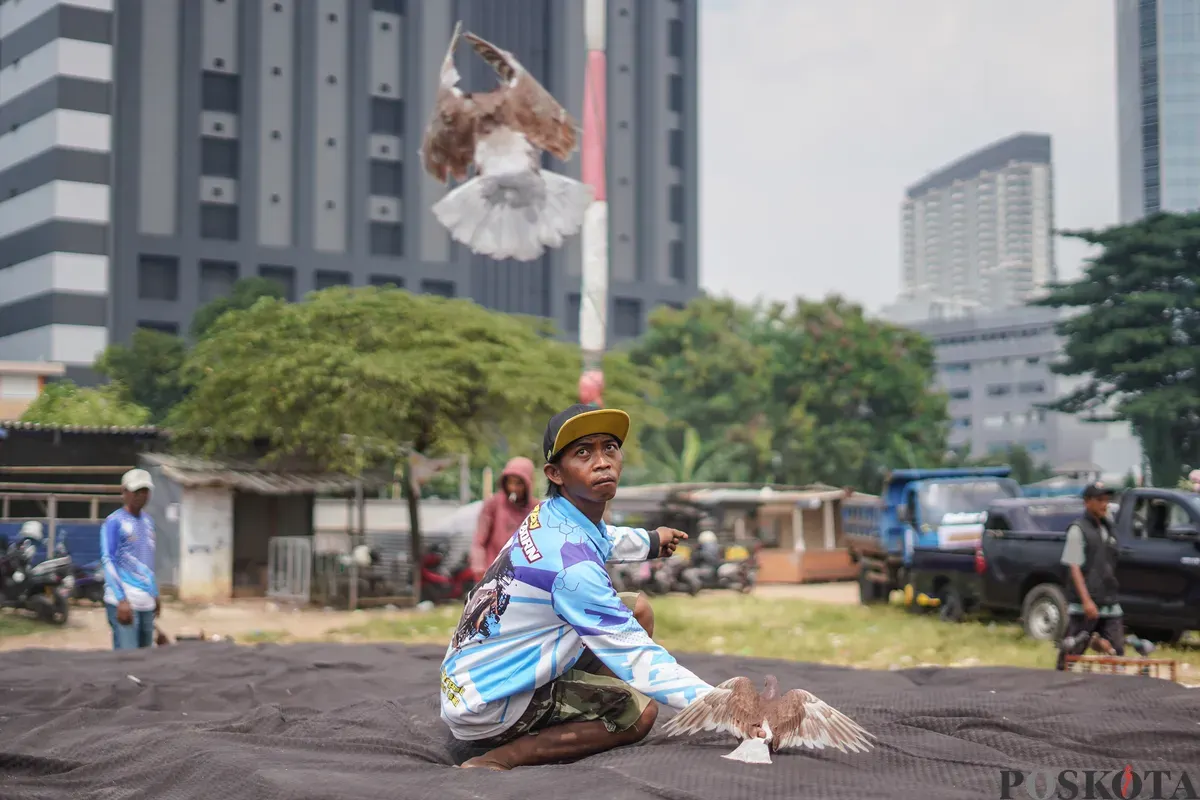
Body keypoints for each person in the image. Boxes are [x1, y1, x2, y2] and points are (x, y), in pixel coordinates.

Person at [440, 404, 721, 770]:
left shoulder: (549, 515)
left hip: (470, 682)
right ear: (555, 473)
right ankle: (499, 759)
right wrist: (724, 707)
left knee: (637, 608)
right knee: (640, 713)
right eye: (583, 452)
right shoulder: (572, 569)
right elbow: (635, 655)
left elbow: (602, 538)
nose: (602, 461)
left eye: (610, 448)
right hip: (491, 709)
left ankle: (582, 704)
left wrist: (650, 541)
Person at [1056, 482, 1153, 670]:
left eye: (1107, 500)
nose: (1104, 504)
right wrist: (1086, 601)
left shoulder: (1109, 527)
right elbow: (1074, 567)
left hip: (1109, 602)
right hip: (1085, 605)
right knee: (1070, 655)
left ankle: (1114, 690)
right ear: (1087, 502)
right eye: (1099, 500)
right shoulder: (1078, 529)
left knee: (1117, 654)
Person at [101, 469, 159, 650]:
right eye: (136, 491)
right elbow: (107, 559)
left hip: (146, 603)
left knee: (146, 659)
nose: (141, 496)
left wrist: (155, 593)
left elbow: (147, 561)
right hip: (125, 602)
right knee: (128, 660)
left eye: (145, 491)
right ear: (124, 492)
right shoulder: (114, 521)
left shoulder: (148, 522)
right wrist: (121, 600)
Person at [470, 457, 536, 580]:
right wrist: (479, 566)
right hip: (492, 573)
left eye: (518, 483)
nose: (513, 488)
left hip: (522, 577)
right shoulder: (493, 504)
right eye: (510, 482)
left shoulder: (536, 509)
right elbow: (479, 541)